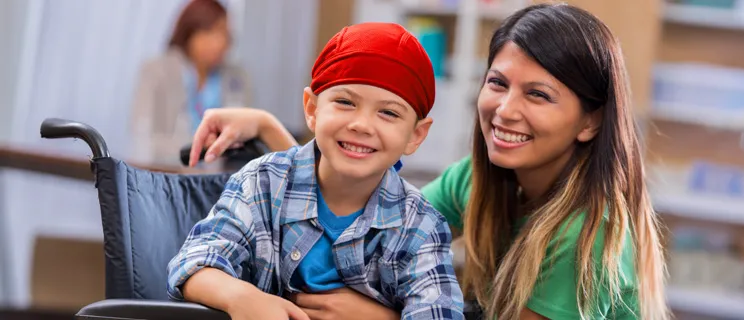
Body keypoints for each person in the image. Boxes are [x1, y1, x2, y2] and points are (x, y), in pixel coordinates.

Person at [187, 3, 669, 320]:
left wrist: (382, 317)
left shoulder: (589, 231)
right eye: (498, 83)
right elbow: (361, 206)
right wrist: (275, 130)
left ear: (590, 122)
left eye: (538, 95)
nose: (505, 109)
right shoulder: (478, 181)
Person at [167, 22, 464, 320]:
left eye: (388, 112)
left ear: (415, 135)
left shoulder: (421, 225)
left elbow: (439, 312)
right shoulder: (262, 182)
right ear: (312, 109)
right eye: (345, 102)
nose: (361, 124)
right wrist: (241, 297)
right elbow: (192, 262)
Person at [129, 0, 253, 166]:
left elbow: (244, 135)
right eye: (211, 32)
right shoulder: (156, 72)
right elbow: (144, 137)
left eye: (225, 34)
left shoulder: (236, 79)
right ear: (189, 33)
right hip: (164, 174)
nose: (220, 43)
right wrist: (202, 147)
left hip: (216, 181)